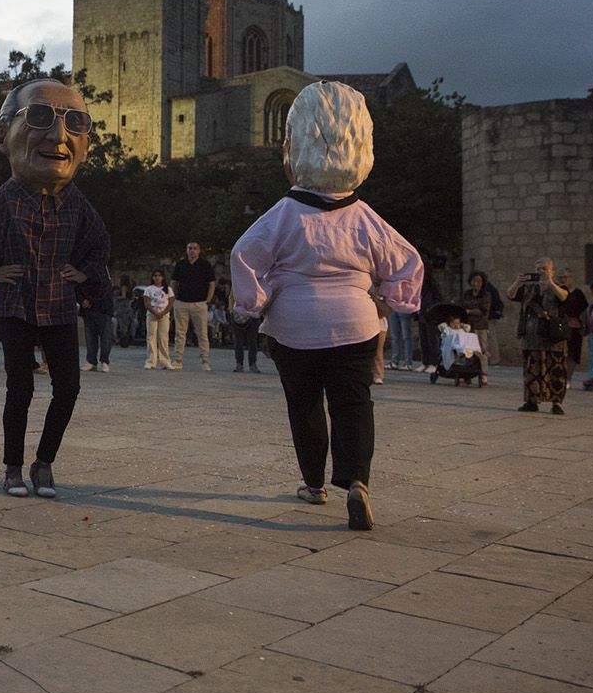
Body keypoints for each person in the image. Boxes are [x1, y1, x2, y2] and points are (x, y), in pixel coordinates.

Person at [230, 81, 422, 531]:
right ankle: (357, 482)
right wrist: (390, 299)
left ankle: (314, 483)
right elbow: (406, 263)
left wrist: (254, 302)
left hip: (294, 326)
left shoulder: (282, 215)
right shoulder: (366, 219)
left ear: (295, 146)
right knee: (353, 403)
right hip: (355, 324)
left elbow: (244, 255)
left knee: (305, 406)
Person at [0, 78, 110, 499]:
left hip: (59, 306)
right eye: (41, 116)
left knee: (69, 388)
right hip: (17, 305)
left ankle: (44, 462)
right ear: (3, 137)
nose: (59, 135)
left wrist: (82, 274)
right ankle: (12, 468)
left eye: (75, 122)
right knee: (19, 389)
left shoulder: (79, 205)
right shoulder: (3, 201)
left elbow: (100, 246)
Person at [509, 258, 569, 414]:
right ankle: (532, 401)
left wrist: (551, 283)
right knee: (532, 370)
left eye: (544, 268)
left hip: (553, 337)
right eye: (538, 269)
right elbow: (510, 295)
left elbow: (564, 297)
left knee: (555, 370)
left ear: (552, 271)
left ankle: (556, 403)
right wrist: (517, 282)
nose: (540, 272)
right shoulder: (529, 289)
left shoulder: (558, 287)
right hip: (532, 336)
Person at [170, 242, 216, 371]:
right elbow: (174, 282)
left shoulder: (205, 265)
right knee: (180, 333)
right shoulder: (180, 265)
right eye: (190, 248)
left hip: (199, 303)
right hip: (182, 302)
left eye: (195, 249)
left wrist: (208, 300)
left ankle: (205, 360)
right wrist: (175, 297)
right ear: (186, 250)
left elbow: (211, 283)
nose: (192, 251)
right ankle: (178, 359)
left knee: (202, 333)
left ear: (199, 251)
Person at [433, 312, 487, 386]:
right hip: (452, 346)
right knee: (456, 352)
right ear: (450, 323)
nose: (456, 325)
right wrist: (444, 325)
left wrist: (463, 326)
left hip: (465, 347)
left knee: (471, 341)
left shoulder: (462, 330)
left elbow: (467, 330)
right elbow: (442, 329)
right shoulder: (448, 330)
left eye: (458, 323)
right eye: (453, 323)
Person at [461, 271, 496, 369]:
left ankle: (483, 372)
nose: (476, 283)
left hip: (480, 326)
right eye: (474, 281)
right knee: (467, 350)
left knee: (481, 349)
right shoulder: (467, 294)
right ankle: (468, 372)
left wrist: (469, 311)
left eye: (478, 281)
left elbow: (484, 311)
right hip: (468, 325)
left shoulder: (486, 295)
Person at [142, 269, 175, 370]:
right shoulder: (149, 289)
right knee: (151, 336)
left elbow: (170, 302)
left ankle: (165, 361)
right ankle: (151, 361)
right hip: (152, 313)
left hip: (164, 314)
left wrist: (163, 313)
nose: (157, 278)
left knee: (163, 337)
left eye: (159, 276)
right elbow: (147, 303)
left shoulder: (168, 289)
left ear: (163, 277)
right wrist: (155, 312)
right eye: (155, 276)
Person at [558, 268, 586, 374]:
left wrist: (582, 326)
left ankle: (568, 377)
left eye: (565, 277)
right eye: (560, 277)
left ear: (570, 278)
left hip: (573, 328)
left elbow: (583, 311)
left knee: (572, 354)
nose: (562, 280)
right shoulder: (555, 292)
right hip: (559, 328)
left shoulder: (578, 294)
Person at [228, 285, 262, 373]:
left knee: (251, 341)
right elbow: (231, 297)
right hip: (241, 314)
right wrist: (232, 311)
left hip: (250, 313)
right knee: (241, 341)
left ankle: (249, 363)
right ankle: (242, 364)